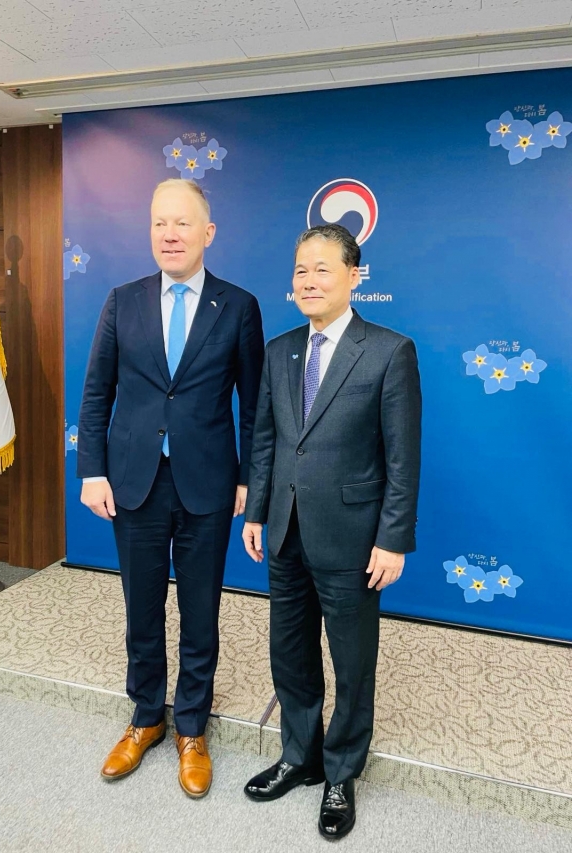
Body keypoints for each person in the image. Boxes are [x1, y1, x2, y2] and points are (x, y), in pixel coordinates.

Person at [77, 178, 264, 798]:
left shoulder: (237, 306)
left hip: (208, 484)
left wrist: (247, 480)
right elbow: (98, 390)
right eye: (160, 223)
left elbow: (254, 405)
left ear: (207, 234)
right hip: (134, 482)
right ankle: (145, 717)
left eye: (182, 224)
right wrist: (92, 470)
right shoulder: (122, 300)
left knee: (201, 610)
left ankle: (191, 727)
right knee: (141, 607)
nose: (169, 234)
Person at [242, 224, 421, 840]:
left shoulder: (389, 350)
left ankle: (342, 770)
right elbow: (265, 439)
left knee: (352, 662)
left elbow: (403, 457)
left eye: (321, 268)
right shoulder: (280, 348)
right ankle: (300, 756)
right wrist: (257, 512)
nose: (308, 281)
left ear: (353, 276)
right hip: (286, 532)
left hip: (353, 535)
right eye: (299, 270)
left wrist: (393, 538)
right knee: (289, 652)